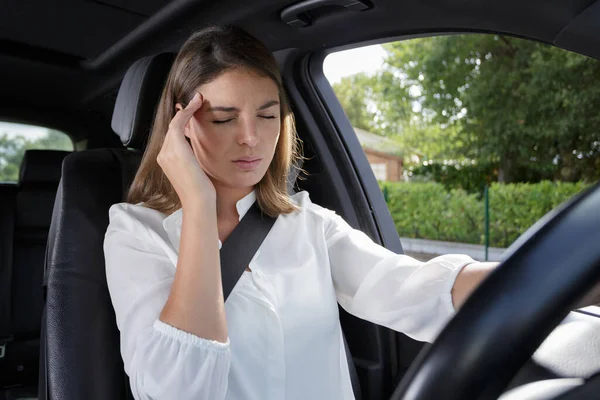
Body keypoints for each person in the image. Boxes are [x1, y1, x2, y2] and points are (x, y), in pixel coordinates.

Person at [103, 26, 495, 400]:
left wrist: (529, 274)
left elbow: (412, 287)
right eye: (223, 119)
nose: (251, 138)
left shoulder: (309, 222)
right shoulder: (135, 233)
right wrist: (200, 208)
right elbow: (178, 390)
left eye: (267, 115)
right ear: (182, 123)